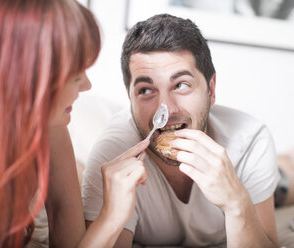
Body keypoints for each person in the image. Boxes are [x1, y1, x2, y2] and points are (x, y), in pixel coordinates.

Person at [82, 14, 280, 247]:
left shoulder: (250, 142)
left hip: (261, 177)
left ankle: (288, 165)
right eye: (146, 90)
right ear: (130, 98)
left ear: (211, 89)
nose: (165, 109)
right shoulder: (112, 157)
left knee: (289, 185)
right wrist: (111, 218)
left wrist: (237, 204)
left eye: (181, 85)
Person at [0, 0, 148, 247]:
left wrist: (112, 216)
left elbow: (67, 233)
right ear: (28, 74)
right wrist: (111, 217)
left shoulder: (51, 126)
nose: (87, 86)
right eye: (77, 73)